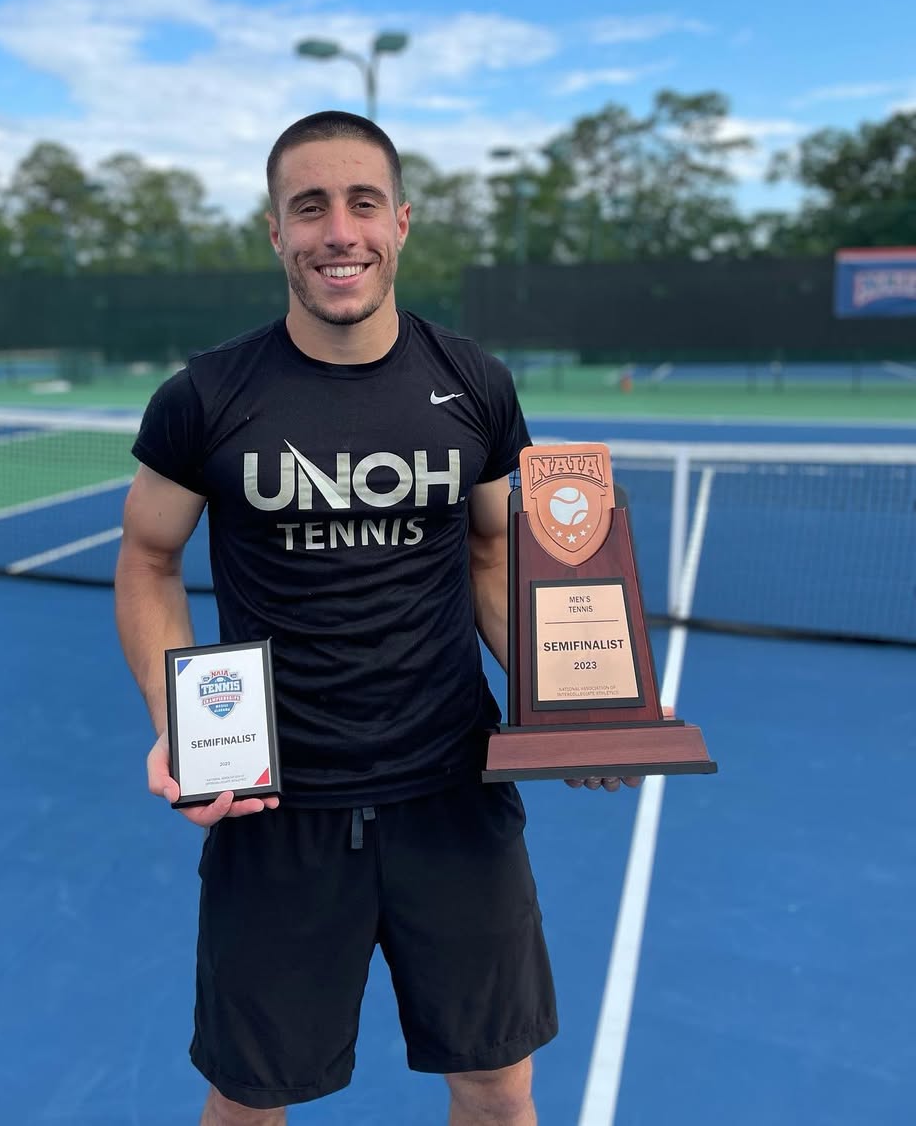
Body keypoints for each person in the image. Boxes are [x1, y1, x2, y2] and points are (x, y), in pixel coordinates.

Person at [115, 111, 636, 1126]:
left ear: (401, 222)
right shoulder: (205, 397)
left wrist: (567, 705)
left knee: (497, 1084)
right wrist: (176, 725)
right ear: (275, 231)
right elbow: (146, 559)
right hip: (277, 813)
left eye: (362, 203)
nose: (337, 230)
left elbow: (495, 553)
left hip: (454, 794)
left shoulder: (475, 384)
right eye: (309, 207)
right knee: (249, 1097)